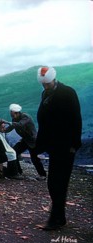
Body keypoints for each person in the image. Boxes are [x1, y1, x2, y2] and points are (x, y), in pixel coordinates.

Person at [36, 66, 82, 231]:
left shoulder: (68, 92)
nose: (45, 86)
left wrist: (74, 145)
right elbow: (44, 121)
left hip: (66, 145)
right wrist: (39, 145)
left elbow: (76, 119)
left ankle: (55, 219)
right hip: (53, 145)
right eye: (44, 84)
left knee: (59, 183)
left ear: (54, 79)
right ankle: (59, 217)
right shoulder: (46, 94)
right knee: (53, 183)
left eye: (48, 84)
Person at [3, 104, 47, 180]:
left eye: (13, 115)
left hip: (33, 140)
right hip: (25, 140)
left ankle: (42, 175)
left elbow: (19, 125)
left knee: (34, 158)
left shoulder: (25, 117)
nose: (12, 117)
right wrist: (3, 130)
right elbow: (11, 127)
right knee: (14, 152)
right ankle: (18, 172)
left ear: (17, 113)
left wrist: (7, 122)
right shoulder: (14, 120)